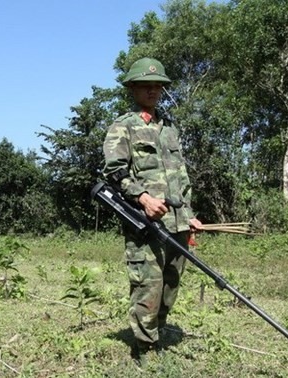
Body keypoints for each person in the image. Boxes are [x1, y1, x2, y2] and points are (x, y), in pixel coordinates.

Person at [102, 57, 203, 364]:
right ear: (132, 88)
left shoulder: (170, 128)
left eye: (158, 85)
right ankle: (146, 349)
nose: (153, 90)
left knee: (170, 285)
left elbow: (181, 176)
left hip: (177, 223)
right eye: (146, 85)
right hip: (144, 223)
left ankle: (157, 331)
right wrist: (144, 198)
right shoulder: (123, 127)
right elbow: (114, 173)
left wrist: (189, 214)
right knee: (148, 286)